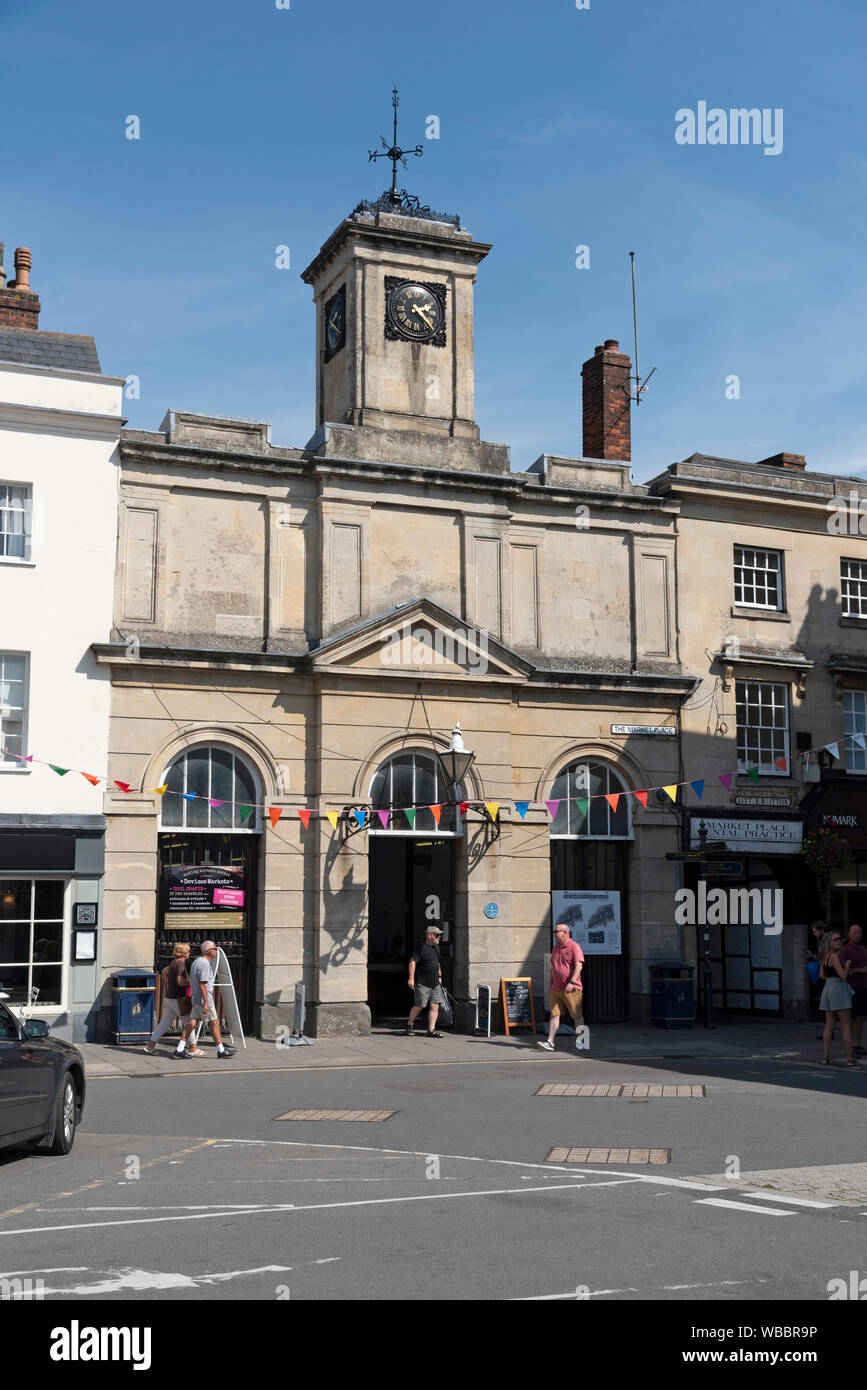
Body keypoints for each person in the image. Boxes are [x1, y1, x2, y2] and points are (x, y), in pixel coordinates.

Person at [173, 941, 236, 1059]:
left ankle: (180, 1049)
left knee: (192, 1023)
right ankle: (221, 1050)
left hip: (196, 999)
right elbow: (203, 985)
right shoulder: (204, 964)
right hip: (203, 1000)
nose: (216, 951)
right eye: (215, 949)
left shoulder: (197, 961)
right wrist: (206, 1003)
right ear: (210, 951)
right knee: (215, 1023)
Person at [538, 921, 585, 1052]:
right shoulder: (556, 948)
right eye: (554, 932)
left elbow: (579, 966)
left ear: (565, 933)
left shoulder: (574, 946)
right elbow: (554, 967)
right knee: (554, 1015)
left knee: (577, 1016)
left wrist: (571, 983)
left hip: (572, 989)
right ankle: (550, 1042)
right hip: (556, 989)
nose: (554, 934)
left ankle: (582, 1042)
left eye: (556, 932)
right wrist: (550, 983)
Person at [819, 932, 857, 1067]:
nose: (839, 941)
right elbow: (843, 975)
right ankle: (850, 1059)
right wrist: (846, 965)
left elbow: (822, 975)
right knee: (846, 1025)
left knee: (829, 1025)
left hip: (827, 989)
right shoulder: (834, 956)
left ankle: (825, 1057)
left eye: (840, 939)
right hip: (838, 989)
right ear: (830, 942)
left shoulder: (824, 956)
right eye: (835, 939)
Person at [144, 942, 190, 1053]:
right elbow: (180, 982)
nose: (189, 953)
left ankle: (150, 1046)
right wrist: (191, 982)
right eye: (188, 951)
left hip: (169, 997)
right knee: (189, 1023)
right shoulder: (180, 964)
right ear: (183, 953)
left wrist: (169, 984)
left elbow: (165, 971)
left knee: (165, 1022)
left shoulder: (173, 963)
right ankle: (193, 1048)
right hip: (178, 998)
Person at [406, 926, 445, 1038]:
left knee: (435, 1005)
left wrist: (439, 975)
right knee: (420, 1005)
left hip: (435, 983)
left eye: (439, 935)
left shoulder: (436, 947)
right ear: (429, 935)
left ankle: (431, 1030)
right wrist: (411, 978)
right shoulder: (421, 947)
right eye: (437, 935)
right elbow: (412, 962)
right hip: (422, 982)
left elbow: (437, 962)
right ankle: (409, 1025)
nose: (439, 937)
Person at [838, 923, 867, 1056]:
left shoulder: (863, 949)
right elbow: (843, 971)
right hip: (852, 987)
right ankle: (848, 1047)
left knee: (861, 1017)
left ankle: (856, 1044)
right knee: (851, 1018)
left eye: (859, 932)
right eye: (854, 932)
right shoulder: (846, 950)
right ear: (849, 934)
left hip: (864, 986)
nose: (857, 935)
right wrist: (859, 970)